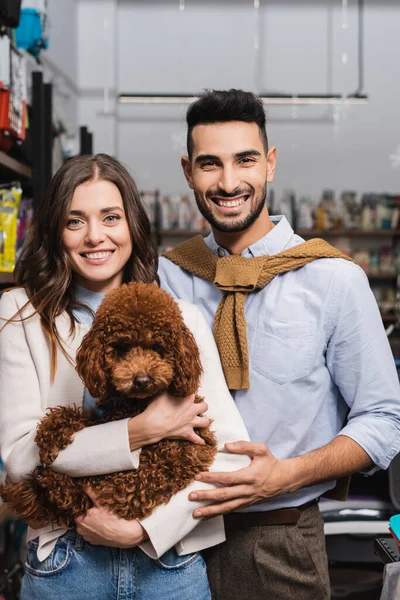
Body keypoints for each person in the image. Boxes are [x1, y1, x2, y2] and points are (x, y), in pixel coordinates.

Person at [158, 89, 400, 600]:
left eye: (244, 160)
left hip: (280, 540)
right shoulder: (164, 278)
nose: (228, 182)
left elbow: (384, 420)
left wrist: (286, 475)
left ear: (269, 164)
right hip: (170, 539)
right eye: (209, 164)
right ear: (187, 172)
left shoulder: (333, 279)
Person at [0, 153, 251, 600]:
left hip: (168, 562)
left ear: (132, 224)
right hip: (67, 560)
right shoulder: (20, 315)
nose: (95, 236)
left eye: (110, 217)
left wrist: (143, 528)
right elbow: (21, 459)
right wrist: (139, 431)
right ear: (55, 229)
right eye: (75, 221)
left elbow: (229, 456)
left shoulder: (182, 320)